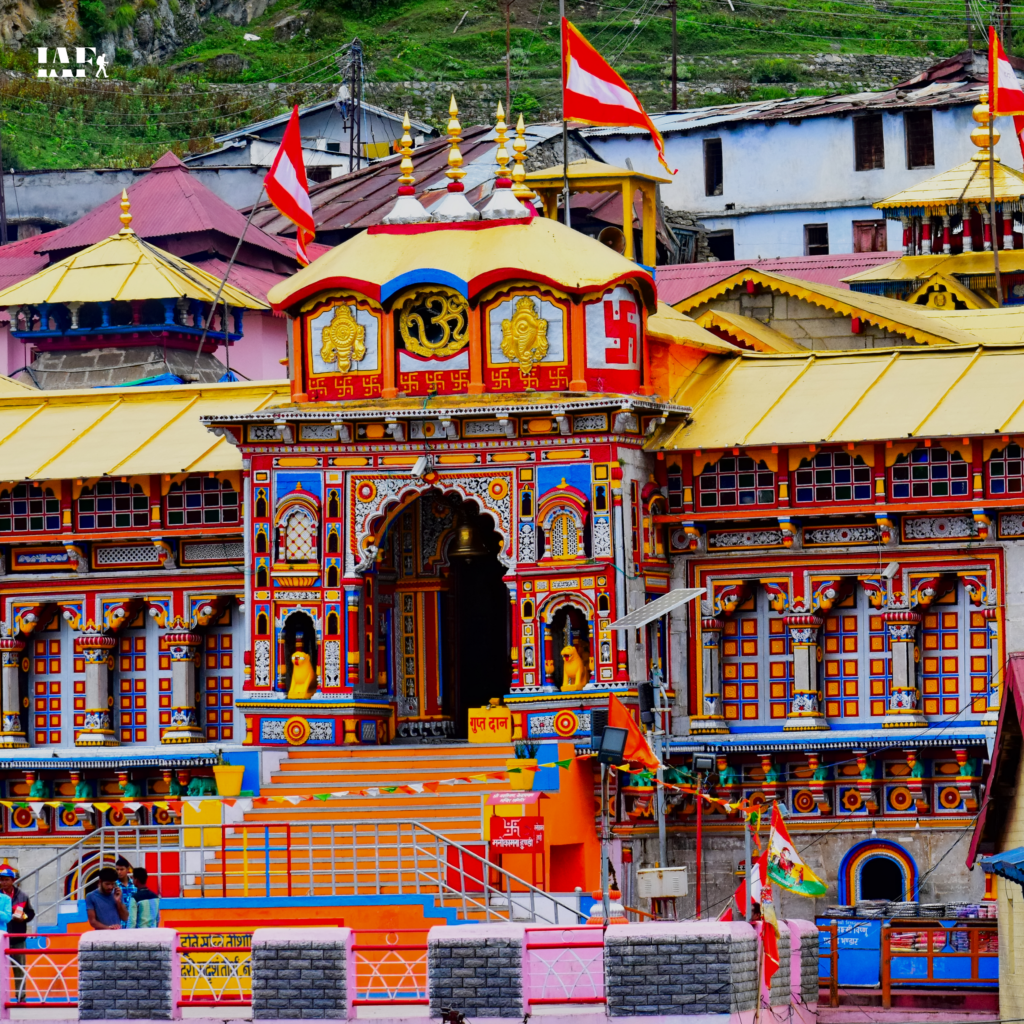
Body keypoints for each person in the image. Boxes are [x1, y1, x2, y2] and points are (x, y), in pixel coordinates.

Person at [0, 864, 34, 1002]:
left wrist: (22, 918)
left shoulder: (23, 896)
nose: (3, 882)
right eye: (1, 879)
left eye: (6, 879)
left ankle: (21, 997)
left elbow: (31, 913)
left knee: (19, 968)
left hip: (18, 938)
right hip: (2, 938)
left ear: (13, 880)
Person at [114, 857, 136, 928]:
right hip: (119, 923)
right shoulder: (114, 885)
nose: (119, 872)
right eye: (117, 869)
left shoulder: (135, 884)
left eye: (121, 869)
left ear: (127, 869)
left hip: (133, 923)